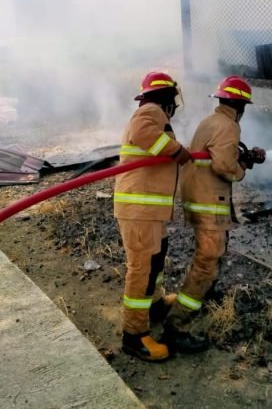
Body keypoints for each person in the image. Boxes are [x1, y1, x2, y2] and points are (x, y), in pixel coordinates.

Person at [161, 75, 265, 353]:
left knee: (210, 256)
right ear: (241, 105)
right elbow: (224, 167)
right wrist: (241, 169)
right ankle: (176, 326)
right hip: (209, 204)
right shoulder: (229, 126)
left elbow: (217, 157)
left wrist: (241, 158)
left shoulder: (210, 122)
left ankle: (205, 293)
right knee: (207, 262)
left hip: (199, 199)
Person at [114, 71, 191, 362]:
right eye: (173, 99)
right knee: (142, 268)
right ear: (168, 97)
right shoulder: (150, 111)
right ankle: (134, 336)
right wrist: (176, 150)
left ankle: (155, 305)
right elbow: (143, 134)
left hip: (148, 211)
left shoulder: (154, 112)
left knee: (157, 258)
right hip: (139, 211)